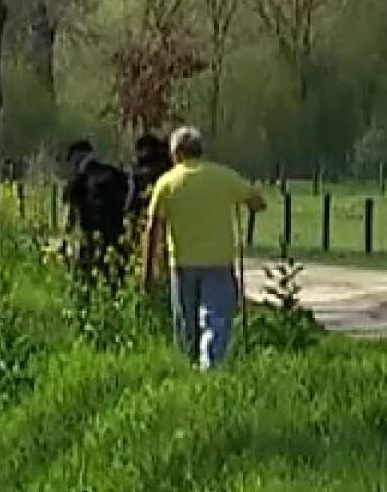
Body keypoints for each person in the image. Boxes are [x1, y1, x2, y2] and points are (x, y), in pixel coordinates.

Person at [141, 126, 267, 370]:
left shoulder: (166, 183)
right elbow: (258, 202)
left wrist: (149, 271)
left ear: (176, 153)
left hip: (182, 263)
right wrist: (246, 203)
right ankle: (211, 369)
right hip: (218, 262)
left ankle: (187, 369)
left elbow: (153, 229)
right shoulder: (223, 176)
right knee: (216, 319)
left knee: (185, 322)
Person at [63, 139, 136, 288]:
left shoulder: (78, 180)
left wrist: (66, 236)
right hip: (116, 237)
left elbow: (71, 214)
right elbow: (129, 201)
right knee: (116, 280)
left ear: (78, 157)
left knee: (88, 280)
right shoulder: (115, 173)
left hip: (91, 238)